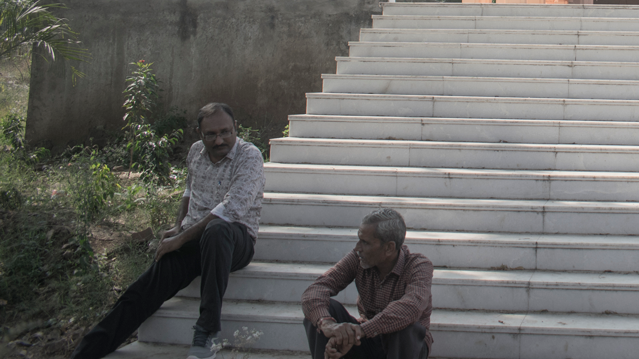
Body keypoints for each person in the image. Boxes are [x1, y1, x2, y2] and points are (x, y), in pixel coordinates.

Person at [71, 103, 265, 359]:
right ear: (200, 134)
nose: (219, 140)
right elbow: (188, 191)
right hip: (195, 239)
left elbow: (232, 209)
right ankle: (87, 352)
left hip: (234, 240)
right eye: (211, 135)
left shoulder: (249, 155)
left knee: (218, 229)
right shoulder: (196, 152)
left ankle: (206, 331)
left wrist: (181, 238)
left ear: (235, 128)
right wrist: (177, 226)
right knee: (143, 290)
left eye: (225, 132)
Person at [301, 209, 433, 359]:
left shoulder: (418, 266)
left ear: (389, 248)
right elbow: (316, 290)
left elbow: (411, 307)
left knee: (406, 328)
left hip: (404, 347)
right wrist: (327, 324)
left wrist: (361, 330)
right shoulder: (358, 259)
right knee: (321, 310)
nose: (358, 248)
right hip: (365, 340)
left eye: (365, 242)